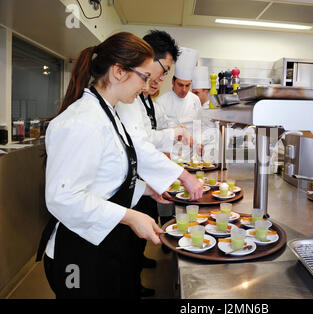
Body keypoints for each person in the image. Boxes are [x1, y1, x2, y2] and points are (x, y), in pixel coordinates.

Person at [36, 32, 202, 299]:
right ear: (118, 72)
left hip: (100, 244)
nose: (148, 85)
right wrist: (131, 216)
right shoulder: (82, 121)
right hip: (77, 253)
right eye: (144, 77)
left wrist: (146, 190)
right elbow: (63, 198)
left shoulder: (108, 113)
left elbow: (108, 176)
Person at [115, 30, 197, 297]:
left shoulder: (133, 98)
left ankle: (131, 282)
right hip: (104, 214)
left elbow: (145, 138)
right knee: (121, 257)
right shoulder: (124, 99)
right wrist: (184, 176)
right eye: (163, 71)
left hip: (131, 188)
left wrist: (146, 189)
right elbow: (139, 146)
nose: (159, 80)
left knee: (129, 251)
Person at [155, 47, 204, 161]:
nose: (184, 89)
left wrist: (200, 143)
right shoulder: (161, 101)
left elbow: (198, 126)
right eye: (180, 85)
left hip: (191, 155)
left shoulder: (195, 100)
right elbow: (158, 131)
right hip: (169, 155)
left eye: (187, 85)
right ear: (173, 82)